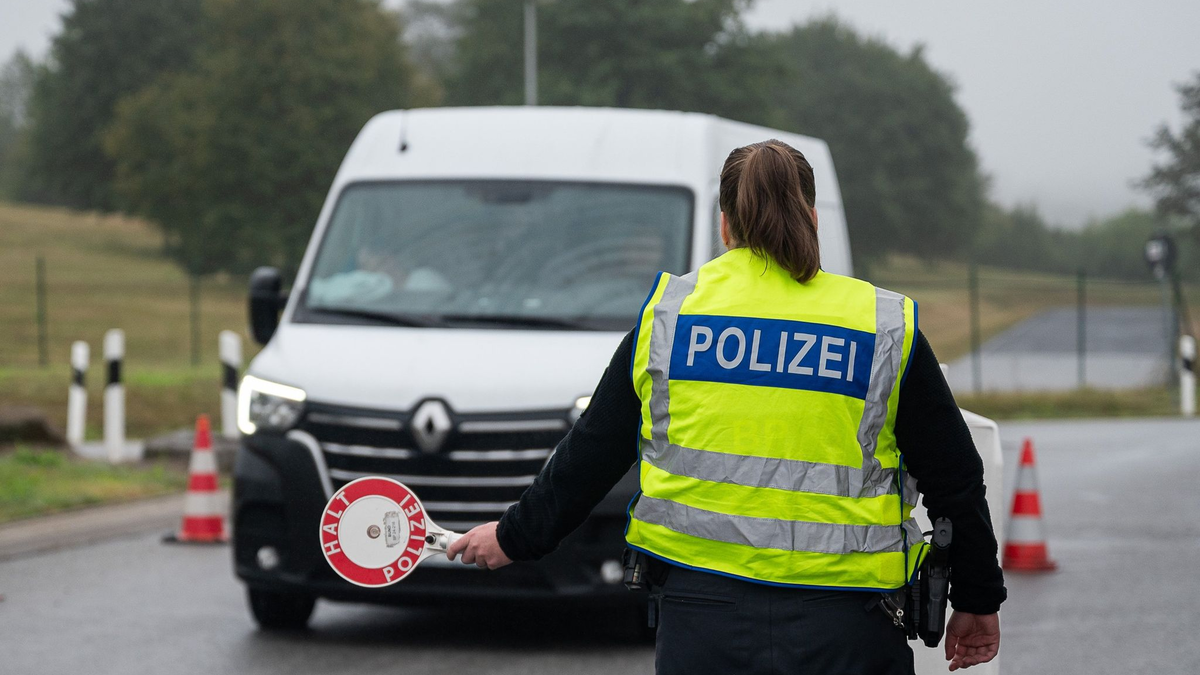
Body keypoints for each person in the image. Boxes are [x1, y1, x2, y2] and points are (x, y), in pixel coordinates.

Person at [447, 139, 1005, 674]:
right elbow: (955, 478)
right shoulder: (882, 325)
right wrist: (977, 596)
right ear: (812, 218)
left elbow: (592, 452)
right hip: (848, 625)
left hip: (702, 623)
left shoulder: (671, 317)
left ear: (724, 225)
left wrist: (514, 536)